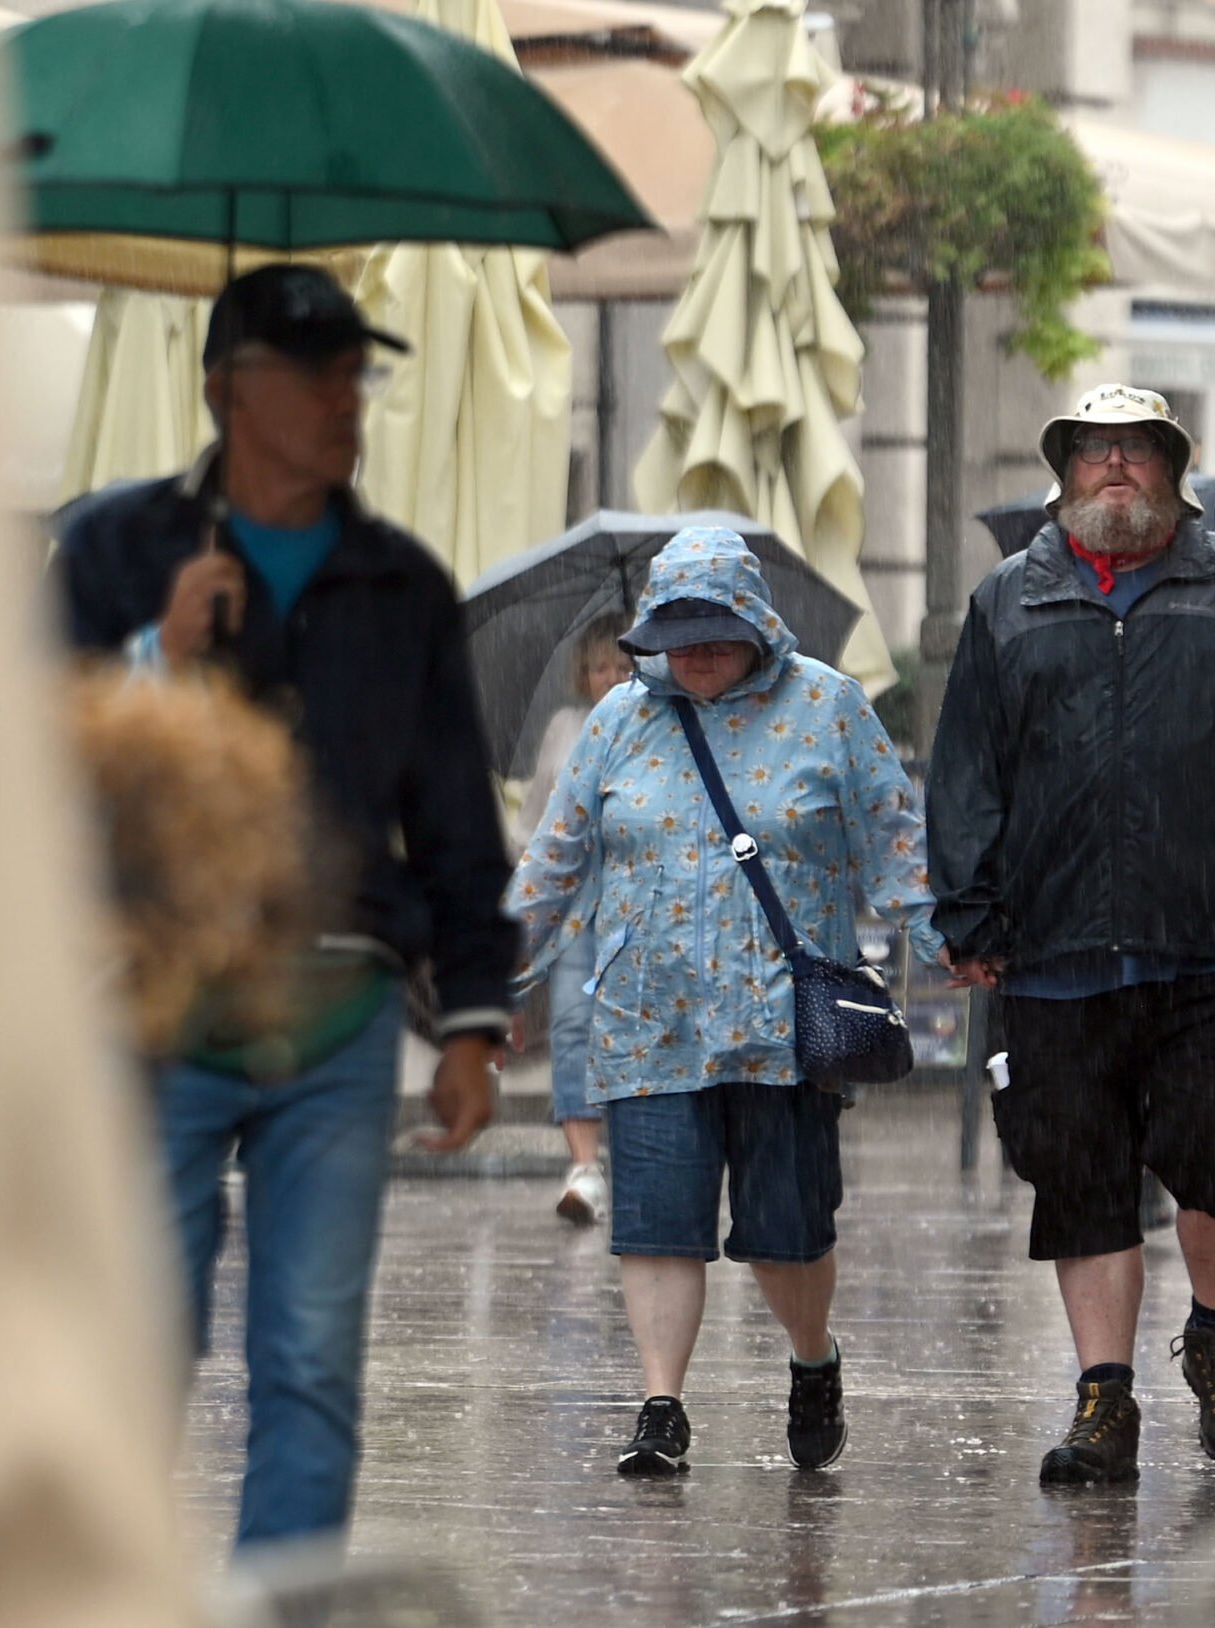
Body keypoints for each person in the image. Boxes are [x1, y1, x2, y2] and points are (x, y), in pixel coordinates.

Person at [51, 264, 516, 1554]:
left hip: (340, 1008)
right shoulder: (113, 552)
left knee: (310, 1357)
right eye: (310, 375)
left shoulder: (402, 583)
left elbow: (457, 820)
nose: (342, 401)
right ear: (223, 391)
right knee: (135, 1342)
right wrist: (160, 660)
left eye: (353, 376)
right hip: (157, 1005)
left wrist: (473, 1020)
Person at [929, 383, 1215, 1486]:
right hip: (1055, 947)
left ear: (1175, 470)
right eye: (1094, 452)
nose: (1115, 469)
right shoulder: (1007, 599)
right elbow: (967, 770)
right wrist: (968, 908)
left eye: (1138, 450)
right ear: (1064, 472)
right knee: (1078, 1178)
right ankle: (1104, 1398)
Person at [506, 527, 943, 1477]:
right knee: (656, 1228)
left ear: (757, 622)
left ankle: (812, 1356)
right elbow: (554, 859)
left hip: (784, 1029)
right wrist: (496, 979)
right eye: (677, 634)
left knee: (787, 1240)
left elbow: (896, 848)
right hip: (646, 1021)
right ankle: (662, 1407)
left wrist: (960, 945)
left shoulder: (829, 707)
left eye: (714, 631)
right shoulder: (617, 721)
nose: (695, 652)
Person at [513, 616, 634, 1225]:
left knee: (643, 1030)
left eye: (622, 663)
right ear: (582, 674)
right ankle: (585, 1169)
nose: (611, 676)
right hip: (575, 906)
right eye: (599, 665)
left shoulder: (662, 723)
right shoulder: (565, 729)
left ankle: (643, 1159)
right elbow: (534, 823)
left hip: (643, 904)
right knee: (571, 1025)